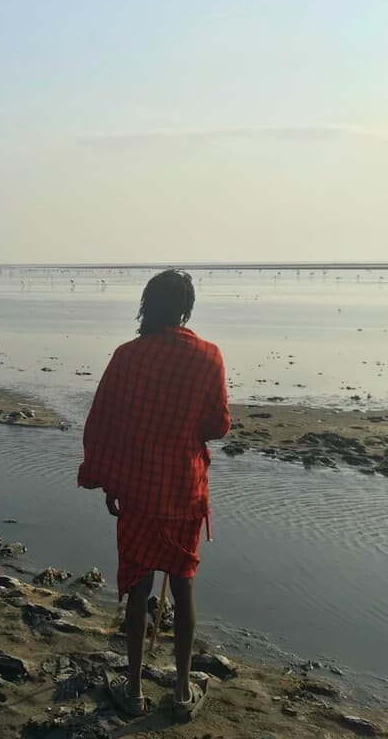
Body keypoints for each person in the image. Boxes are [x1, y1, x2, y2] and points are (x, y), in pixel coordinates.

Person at [77, 268, 231, 721]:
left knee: (139, 585)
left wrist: (105, 478)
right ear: (186, 309)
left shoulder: (128, 356)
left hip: (138, 488)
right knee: (182, 586)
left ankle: (135, 690)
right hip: (184, 488)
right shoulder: (209, 356)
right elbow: (219, 426)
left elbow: (102, 419)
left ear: (148, 306)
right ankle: (183, 694)